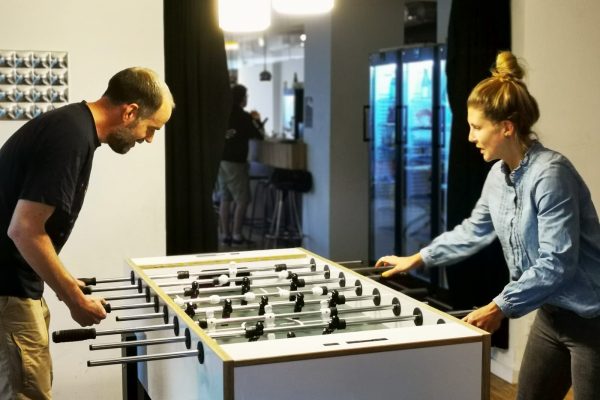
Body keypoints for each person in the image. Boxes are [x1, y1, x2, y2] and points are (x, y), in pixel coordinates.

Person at [375, 51, 600, 400]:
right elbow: (474, 229)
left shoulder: (551, 176)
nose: (469, 137)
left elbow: (558, 263)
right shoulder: (498, 175)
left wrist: (499, 308)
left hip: (592, 320)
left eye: (477, 127)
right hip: (551, 315)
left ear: (506, 127)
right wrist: (417, 258)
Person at [0, 67, 174, 399]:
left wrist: (66, 282)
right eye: (152, 128)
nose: (149, 139)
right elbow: (23, 229)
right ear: (130, 111)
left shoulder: (74, 127)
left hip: (16, 286)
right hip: (8, 291)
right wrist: (73, 298)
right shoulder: (70, 135)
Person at [218, 84, 264, 246]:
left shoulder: (223, 114)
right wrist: (257, 120)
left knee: (225, 198)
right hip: (236, 162)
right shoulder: (244, 117)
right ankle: (237, 235)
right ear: (242, 98)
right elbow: (259, 136)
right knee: (242, 200)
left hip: (221, 160)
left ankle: (225, 235)